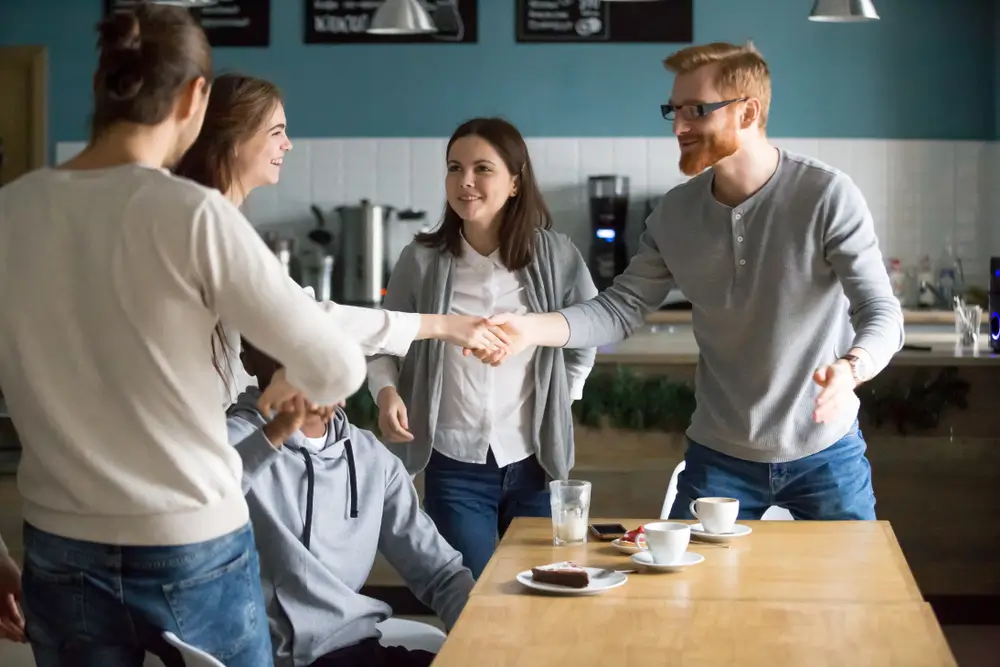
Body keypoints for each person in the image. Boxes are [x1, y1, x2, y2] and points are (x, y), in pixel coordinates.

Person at [0, 6, 365, 665]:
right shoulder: (194, 214)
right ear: (197, 96)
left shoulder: (10, 211)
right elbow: (338, 366)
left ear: (101, 87)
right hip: (192, 543)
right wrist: (290, 377)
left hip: (58, 546)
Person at [476, 42, 904, 522]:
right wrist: (529, 328)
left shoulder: (826, 195)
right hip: (719, 457)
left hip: (826, 451)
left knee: (856, 573)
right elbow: (619, 309)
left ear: (748, 112)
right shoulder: (676, 213)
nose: (678, 127)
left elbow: (881, 311)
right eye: (674, 110)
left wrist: (851, 368)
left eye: (696, 110)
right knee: (682, 573)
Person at [173, 74, 509, 404]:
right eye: (277, 132)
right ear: (234, 140)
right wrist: (443, 326)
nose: (287, 144)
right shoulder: (211, 226)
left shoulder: (208, 218)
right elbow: (307, 318)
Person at [367, 117, 598, 578]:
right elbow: (384, 340)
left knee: (542, 594)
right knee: (467, 596)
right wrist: (386, 392)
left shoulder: (557, 256)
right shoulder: (422, 260)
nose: (465, 181)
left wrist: (564, 396)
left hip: (535, 462)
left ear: (515, 183)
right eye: (455, 168)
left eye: (482, 169)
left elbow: (587, 329)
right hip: (454, 464)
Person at [226, 337, 474, 667]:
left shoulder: (371, 458)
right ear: (247, 362)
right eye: (273, 339)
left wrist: (485, 636)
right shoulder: (229, 443)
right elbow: (202, 501)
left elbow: (440, 572)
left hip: (358, 648)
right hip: (277, 658)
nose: (294, 353)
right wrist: (277, 431)